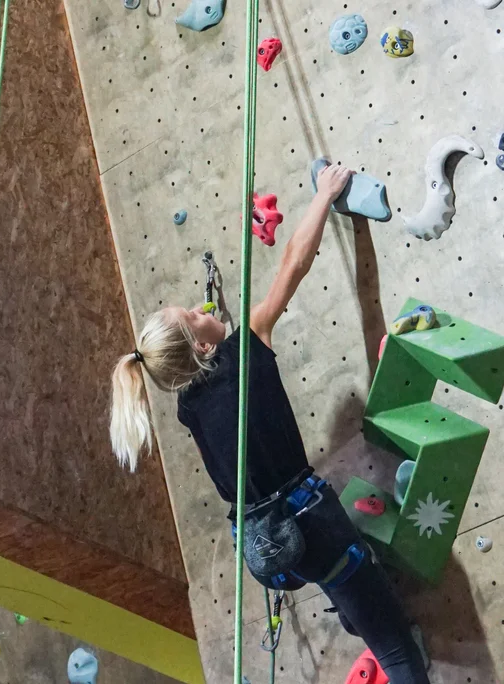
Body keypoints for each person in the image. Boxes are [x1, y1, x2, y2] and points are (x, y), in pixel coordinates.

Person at [109, 164, 430, 683]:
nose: (201, 306)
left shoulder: (188, 405)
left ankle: (356, 608)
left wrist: (198, 330)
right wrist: (325, 195)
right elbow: (294, 264)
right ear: (204, 346)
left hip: (270, 545)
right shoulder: (246, 347)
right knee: (396, 649)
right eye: (193, 315)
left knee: (339, 581)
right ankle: (386, 632)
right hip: (309, 521)